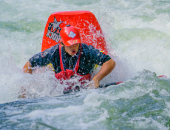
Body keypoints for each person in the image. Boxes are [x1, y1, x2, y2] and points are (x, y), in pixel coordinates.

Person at [23, 26, 116, 89]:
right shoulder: (52, 53)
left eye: (76, 43)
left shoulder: (87, 51)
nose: (73, 47)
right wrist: (27, 88)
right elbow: (29, 65)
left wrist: (96, 79)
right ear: (62, 43)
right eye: (70, 44)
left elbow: (110, 62)